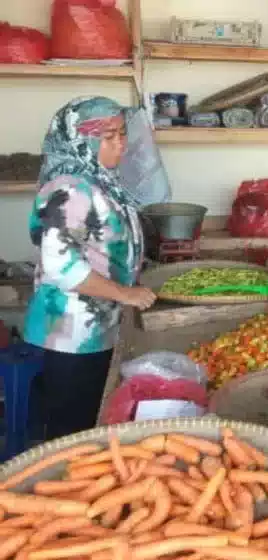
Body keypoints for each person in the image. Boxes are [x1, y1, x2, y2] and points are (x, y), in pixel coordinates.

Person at [24, 96, 156, 440]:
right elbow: (60, 267)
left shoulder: (99, 179)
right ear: (81, 141)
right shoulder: (68, 188)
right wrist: (125, 293)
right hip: (70, 334)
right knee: (73, 430)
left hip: (98, 326)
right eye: (109, 137)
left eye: (122, 134)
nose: (120, 145)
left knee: (93, 418)